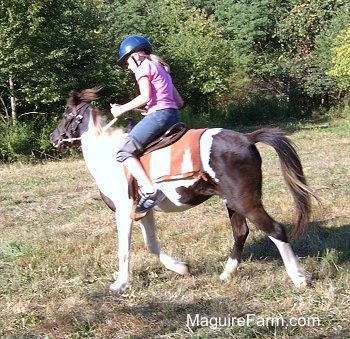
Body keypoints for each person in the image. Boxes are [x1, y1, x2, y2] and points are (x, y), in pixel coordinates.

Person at [110, 35, 184, 214]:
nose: (128, 66)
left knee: (123, 151)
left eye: (127, 61)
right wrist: (147, 110)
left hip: (159, 116)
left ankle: (150, 191)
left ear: (136, 56)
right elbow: (179, 102)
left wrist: (121, 110)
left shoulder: (143, 67)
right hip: (173, 115)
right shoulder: (161, 68)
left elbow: (145, 96)